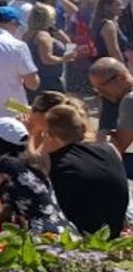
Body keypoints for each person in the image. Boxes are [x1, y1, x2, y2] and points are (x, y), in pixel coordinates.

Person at [0, 116, 70, 234]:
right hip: (60, 229)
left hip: (38, 234)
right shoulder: (28, 160)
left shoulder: (2, 163)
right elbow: (1, 190)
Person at [40, 101, 128, 236]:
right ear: (83, 127)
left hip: (80, 235)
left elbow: (30, 167)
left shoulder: (53, 162)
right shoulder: (110, 149)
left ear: (50, 135)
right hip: (115, 229)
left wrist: (33, 135)